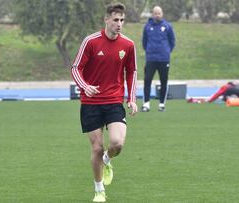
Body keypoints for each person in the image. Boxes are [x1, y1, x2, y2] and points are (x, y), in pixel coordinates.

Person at [70, 2, 137, 202]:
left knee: (117, 144)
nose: (119, 24)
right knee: (97, 148)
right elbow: (76, 68)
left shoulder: (128, 45)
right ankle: (99, 190)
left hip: (114, 101)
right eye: (115, 20)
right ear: (106, 20)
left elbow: (132, 71)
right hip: (91, 103)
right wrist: (85, 86)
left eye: (122, 20)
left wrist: (131, 98)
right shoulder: (90, 41)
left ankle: (107, 160)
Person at [141, 6, 175, 112]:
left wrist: (166, 51)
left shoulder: (167, 26)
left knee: (163, 81)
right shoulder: (147, 26)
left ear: (162, 14)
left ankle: (161, 104)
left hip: (164, 59)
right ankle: (146, 104)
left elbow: (172, 41)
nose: (157, 15)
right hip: (151, 58)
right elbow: (144, 42)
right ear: (152, 14)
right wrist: (149, 51)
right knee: (147, 80)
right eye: (155, 13)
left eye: (159, 13)